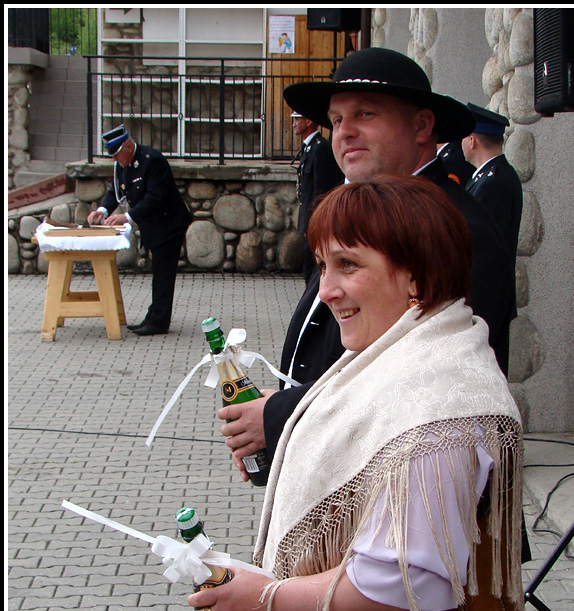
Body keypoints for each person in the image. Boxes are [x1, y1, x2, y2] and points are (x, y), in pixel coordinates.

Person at [189, 176, 546, 611]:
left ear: (418, 277)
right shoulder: (398, 360)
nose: (326, 290)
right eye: (322, 266)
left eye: (348, 265)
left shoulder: (439, 395)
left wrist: (265, 599)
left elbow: (409, 580)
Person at [219, 47, 516, 479]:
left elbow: (423, 379)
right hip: (341, 472)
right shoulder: (358, 213)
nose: (344, 132)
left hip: (414, 499)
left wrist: (281, 415)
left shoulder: (457, 229)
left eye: (366, 114)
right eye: (337, 120)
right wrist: (278, 416)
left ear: (421, 125)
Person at [88, 125, 193, 335]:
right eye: (115, 158)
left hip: (168, 224)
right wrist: (102, 210)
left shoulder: (152, 160)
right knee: (158, 274)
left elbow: (155, 197)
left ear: (128, 145)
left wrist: (126, 217)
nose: (117, 161)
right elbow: (117, 190)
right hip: (152, 226)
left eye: (118, 156)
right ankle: (152, 316)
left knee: (164, 275)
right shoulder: (123, 164)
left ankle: (159, 322)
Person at [462, 103, 523, 269]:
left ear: (472, 141)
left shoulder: (493, 183)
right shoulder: (491, 175)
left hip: (487, 289)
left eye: (464, 137)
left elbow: (482, 245)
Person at [291, 111, 344, 282]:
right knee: (309, 262)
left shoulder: (320, 148)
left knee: (313, 263)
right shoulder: (310, 147)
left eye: (297, 119)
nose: (293, 123)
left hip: (315, 216)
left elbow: (322, 189)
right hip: (308, 214)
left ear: (309, 121)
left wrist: (315, 220)